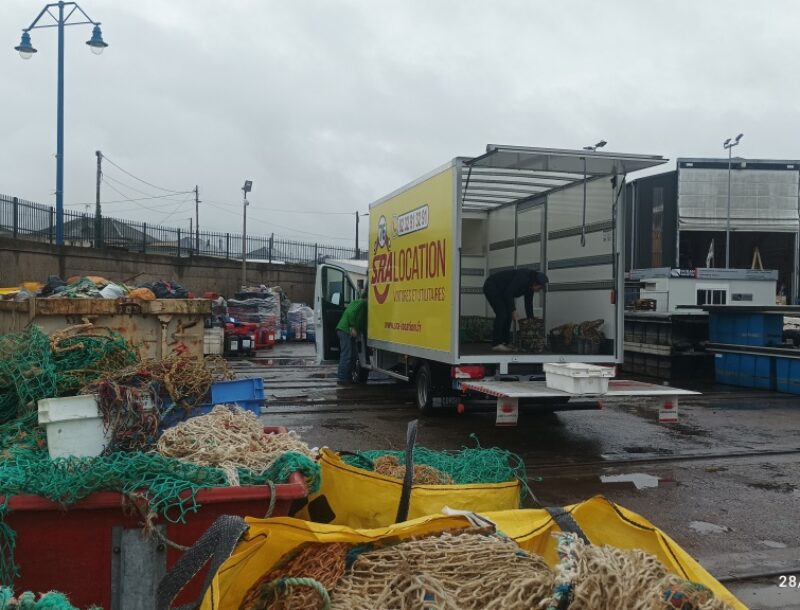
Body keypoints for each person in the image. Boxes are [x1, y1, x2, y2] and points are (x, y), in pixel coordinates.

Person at [482, 269, 548, 352]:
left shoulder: (530, 286)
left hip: (502, 291)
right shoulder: (522, 278)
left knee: (508, 315)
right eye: (540, 287)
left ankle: (505, 342)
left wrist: (531, 321)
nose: (539, 290)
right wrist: (513, 310)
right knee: (502, 313)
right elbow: (508, 293)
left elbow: (528, 304)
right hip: (492, 286)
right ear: (535, 283)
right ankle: (496, 344)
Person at [335, 290, 368, 385]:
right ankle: (342, 378)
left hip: (345, 330)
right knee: (347, 354)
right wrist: (353, 327)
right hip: (345, 330)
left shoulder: (360, 304)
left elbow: (361, 320)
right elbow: (351, 313)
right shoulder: (361, 303)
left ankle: (348, 377)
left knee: (353, 355)